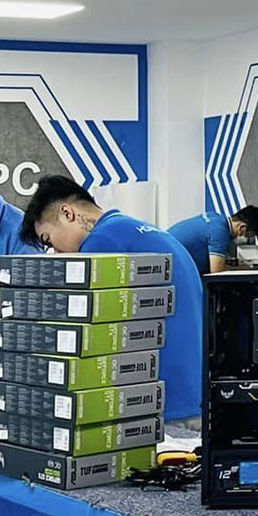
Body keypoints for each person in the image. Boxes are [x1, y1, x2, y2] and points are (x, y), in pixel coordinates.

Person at [22, 176, 205, 412]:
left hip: (163, 403)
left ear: (67, 213)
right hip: (192, 390)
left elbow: (84, 334)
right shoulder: (134, 230)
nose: (56, 252)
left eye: (49, 240)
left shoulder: (101, 242)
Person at [165, 205, 258, 275]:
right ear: (242, 228)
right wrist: (244, 269)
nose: (245, 238)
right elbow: (217, 271)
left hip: (165, 255)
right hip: (171, 268)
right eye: (248, 236)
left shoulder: (214, 217)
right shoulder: (220, 232)